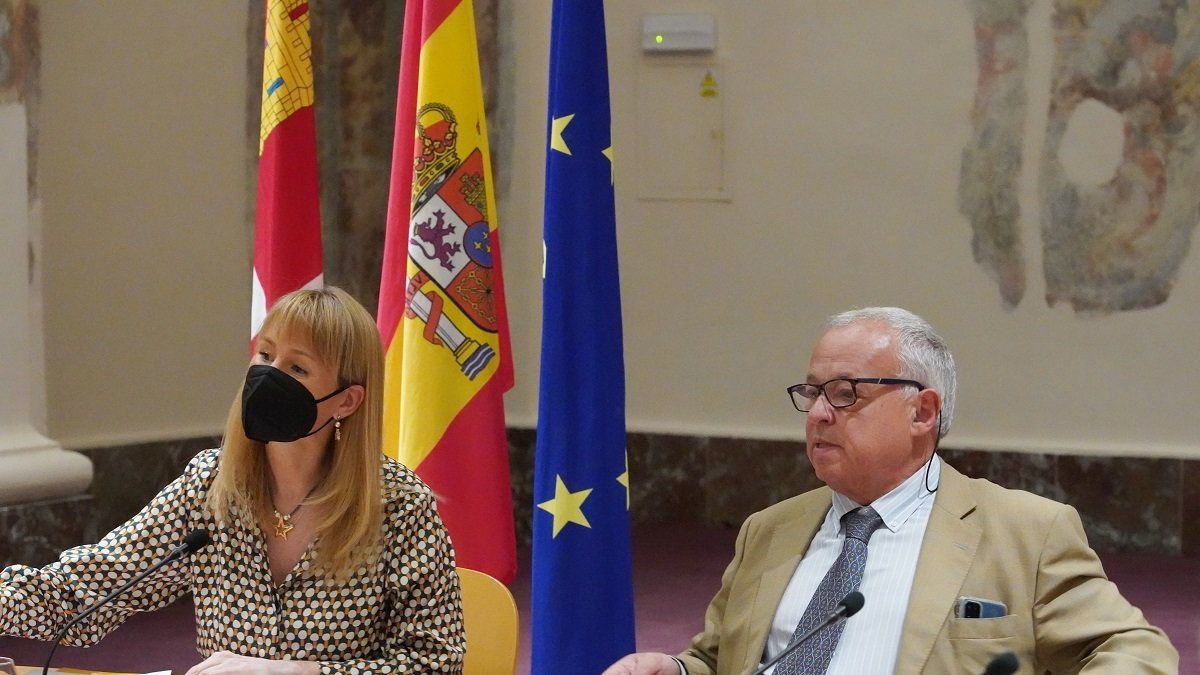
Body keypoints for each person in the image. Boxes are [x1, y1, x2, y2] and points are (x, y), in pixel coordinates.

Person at [604, 307, 1177, 675]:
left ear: (922, 411)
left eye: (845, 393)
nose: (819, 413)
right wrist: (677, 670)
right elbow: (720, 658)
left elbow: (1136, 652)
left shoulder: (1024, 531)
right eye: (812, 392)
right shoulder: (768, 529)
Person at [0, 287, 464, 674]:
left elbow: (436, 664)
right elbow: (83, 591)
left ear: (347, 401)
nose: (267, 376)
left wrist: (301, 672)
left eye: (297, 368)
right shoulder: (211, 485)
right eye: (265, 354)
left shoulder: (398, 505)